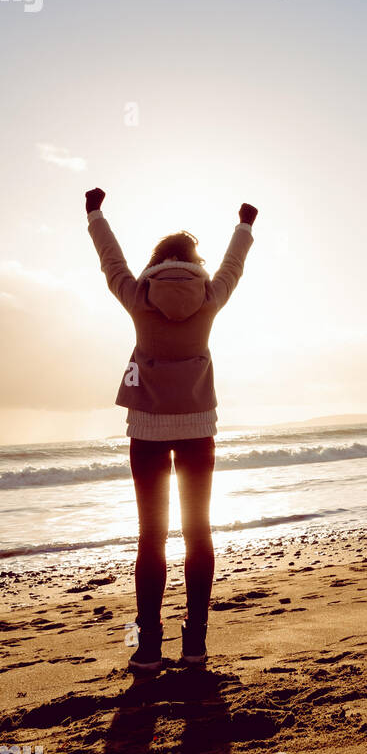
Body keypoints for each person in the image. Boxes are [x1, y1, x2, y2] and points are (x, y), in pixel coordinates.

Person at [84, 187, 257, 673]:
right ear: (193, 260)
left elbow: (110, 261)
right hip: (199, 426)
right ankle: (196, 645)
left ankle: (147, 648)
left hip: (146, 429)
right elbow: (233, 268)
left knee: (151, 536)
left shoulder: (139, 295)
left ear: (156, 261)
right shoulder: (209, 295)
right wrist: (244, 226)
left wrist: (96, 213)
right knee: (198, 533)